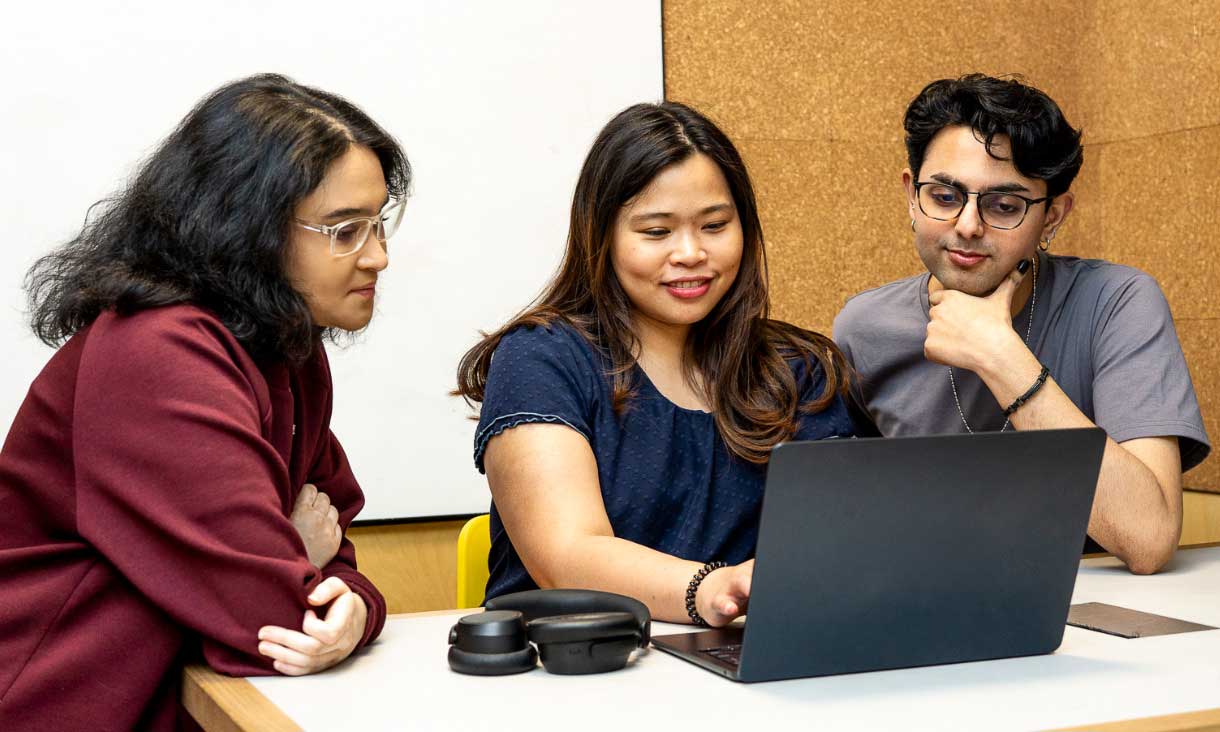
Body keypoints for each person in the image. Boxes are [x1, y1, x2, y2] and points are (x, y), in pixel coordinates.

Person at [0, 74, 409, 730]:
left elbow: (335, 557)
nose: (378, 257)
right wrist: (301, 566)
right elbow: (272, 616)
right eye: (344, 230)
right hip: (60, 704)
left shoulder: (285, 346)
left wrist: (348, 603)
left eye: (378, 223)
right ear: (248, 227)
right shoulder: (156, 352)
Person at [455, 102, 868, 627]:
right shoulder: (540, 358)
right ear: (600, 236)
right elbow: (567, 556)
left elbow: (841, 544)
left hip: (746, 669)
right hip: (573, 671)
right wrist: (713, 589)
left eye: (715, 225)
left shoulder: (797, 369)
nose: (691, 252)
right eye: (656, 232)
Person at [833, 74, 1210, 574]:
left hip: (1084, 613)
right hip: (923, 603)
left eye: (1004, 206)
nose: (968, 225)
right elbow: (846, 521)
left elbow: (1148, 539)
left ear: (1052, 218)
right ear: (910, 193)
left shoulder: (1116, 302)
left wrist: (999, 356)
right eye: (945, 197)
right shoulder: (863, 328)